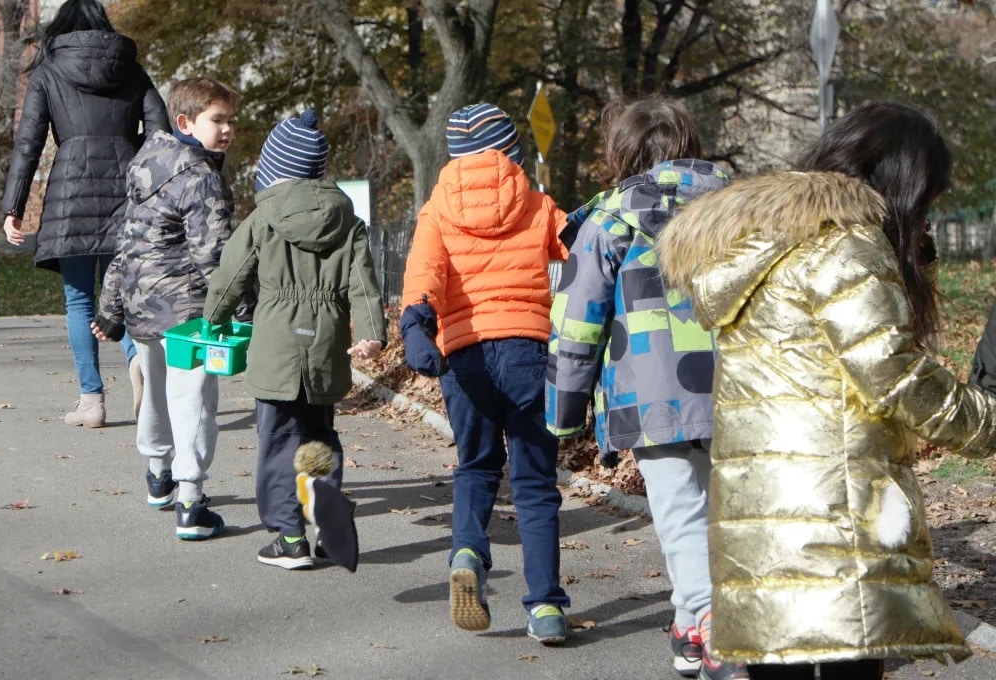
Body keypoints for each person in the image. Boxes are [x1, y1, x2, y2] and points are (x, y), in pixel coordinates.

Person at [656, 101, 996, 680]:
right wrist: (984, 422)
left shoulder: (764, 242)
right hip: (830, 507)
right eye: (927, 201)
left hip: (758, 510)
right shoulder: (846, 245)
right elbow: (893, 371)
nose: (927, 217)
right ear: (901, 181)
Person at [545, 97, 742, 679]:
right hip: (740, 387)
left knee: (681, 512)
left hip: (651, 394)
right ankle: (690, 625)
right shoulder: (740, 212)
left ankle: (713, 632)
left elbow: (577, 324)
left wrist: (563, 412)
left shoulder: (610, 221)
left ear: (624, 153)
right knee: (725, 513)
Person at [399, 102, 571, 644]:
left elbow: (424, 272)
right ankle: (545, 607)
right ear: (511, 152)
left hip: (465, 357)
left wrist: (415, 325)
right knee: (536, 486)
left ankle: (468, 550)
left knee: (475, 468)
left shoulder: (438, 210)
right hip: (528, 352)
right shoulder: (539, 204)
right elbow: (578, 253)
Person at [202, 109, 386, 569]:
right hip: (326, 344)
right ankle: (325, 524)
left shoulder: (263, 218)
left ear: (275, 170)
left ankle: (289, 538)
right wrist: (372, 335)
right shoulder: (348, 222)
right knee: (320, 434)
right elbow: (364, 285)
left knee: (279, 441)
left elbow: (231, 275)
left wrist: (214, 318)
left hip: (277, 346)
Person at [1, 0, 168, 429]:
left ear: (63, 28)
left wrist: (13, 206)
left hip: (70, 191)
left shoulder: (49, 69)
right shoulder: (130, 68)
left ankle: (91, 401)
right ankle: (137, 362)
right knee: (127, 294)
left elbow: (29, 142)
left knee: (78, 300)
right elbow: (160, 130)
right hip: (127, 191)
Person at [91, 77, 240, 542]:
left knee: (155, 389)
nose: (228, 129)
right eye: (217, 120)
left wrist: (111, 305)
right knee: (193, 399)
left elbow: (127, 243)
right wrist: (244, 307)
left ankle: (159, 474)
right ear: (185, 122)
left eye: (231, 120)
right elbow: (215, 255)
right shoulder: (201, 177)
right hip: (188, 307)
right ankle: (191, 500)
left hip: (141, 304)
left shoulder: (146, 164)